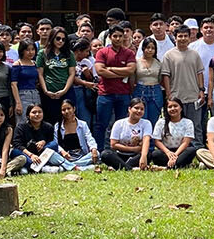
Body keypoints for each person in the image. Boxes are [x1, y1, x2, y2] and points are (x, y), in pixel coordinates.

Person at [94, 24, 138, 152]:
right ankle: (99, 150)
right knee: (101, 124)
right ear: (110, 37)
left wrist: (111, 69)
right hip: (105, 94)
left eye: (120, 36)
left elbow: (131, 70)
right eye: (115, 36)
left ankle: (119, 151)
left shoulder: (129, 53)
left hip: (123, 93)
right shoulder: (102, 52)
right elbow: (100, 71)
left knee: (121, 124)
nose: (118, 39)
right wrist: (121, 73)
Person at [161, 26, 207, 144]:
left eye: (185, 36)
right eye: (179, 36)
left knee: (195, 124)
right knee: (177, 124)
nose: (182, 38)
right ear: (175, 38)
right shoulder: (169, 55)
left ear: (189, 37)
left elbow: (199, 73)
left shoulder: (194, 54)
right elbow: (166, 76)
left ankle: (198, 149)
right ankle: (180, 148)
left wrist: (201, 90)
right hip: (176, 96)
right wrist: (168, 94)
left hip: (193, 96)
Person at [42, 100, 97, 172]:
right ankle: (79, 167)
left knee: (97, 153)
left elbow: (90, 138)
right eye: (63, 110)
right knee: (50, 154)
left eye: (69, 108)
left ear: (74, 109)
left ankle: (68, 166)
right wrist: (62, 152)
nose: (66, 111)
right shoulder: (57, 126)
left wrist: (93, 149)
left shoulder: (83, 124)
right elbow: (56, 143)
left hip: (82, 156)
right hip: (65, 157)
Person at [36, 27, 75, 124]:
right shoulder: (43, 53)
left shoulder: (69, 54)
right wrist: (45, 91)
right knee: (50, 120)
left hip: (66, 91)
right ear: (52, 38)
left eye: (63, 39)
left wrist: (64, 90)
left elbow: (72, 74)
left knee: (68, 118)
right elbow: (40, 74)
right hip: (48, 91)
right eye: (58, 38)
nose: (60, 41)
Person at [103, 99, 154, 170]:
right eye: (136, 108)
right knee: (105, 154)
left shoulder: (146, 123)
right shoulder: (119, 123)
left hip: (136, 156)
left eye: (142, 109)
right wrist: (133, 149)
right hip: (120, 154)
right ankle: (129, 168)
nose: (139, 111)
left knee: (149, 154)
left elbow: (146, 140)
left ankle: (121, 167)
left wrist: (143, 156)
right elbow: (113, 144)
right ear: (129, 109)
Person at [150, 98, 197, 169]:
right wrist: (168, 153)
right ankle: (177, 165)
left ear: (181, 108)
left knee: (191, 150)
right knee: (155, 154)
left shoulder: (188, 122)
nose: (173, 109)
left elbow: (185, 142)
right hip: (166, 151)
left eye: (175, 106)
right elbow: (157, 141)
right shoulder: (161, 122)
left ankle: (167, 167)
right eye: (170, 107)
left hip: (181, 151)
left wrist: (175, 155)